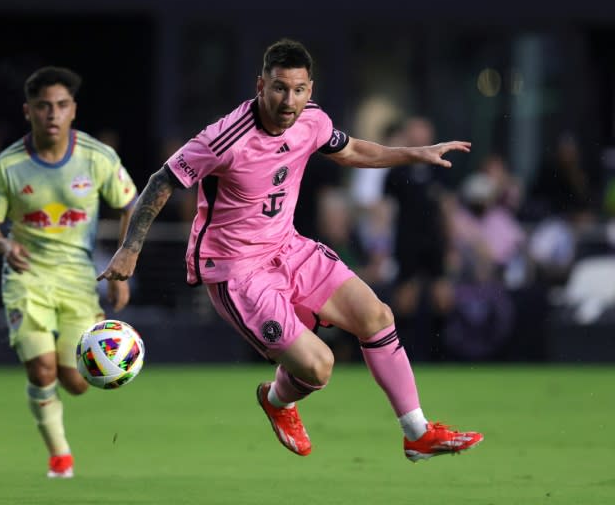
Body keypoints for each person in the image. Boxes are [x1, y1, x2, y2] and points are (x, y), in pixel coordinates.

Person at [100, 39, 483, 460]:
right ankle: (277, 401)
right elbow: (162, 181)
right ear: (260, 84)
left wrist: (414, 154)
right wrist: (129, 249)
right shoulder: (224, 137)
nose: (289, 100)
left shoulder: (312, 121)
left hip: (288, 247)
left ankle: (417, 433)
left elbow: (351, 149)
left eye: (299, 90)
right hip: (236, 269)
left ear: (310, 89)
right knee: (318, 367)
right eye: (280, 88)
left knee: (377, 316)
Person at [0, 66, 137, 478]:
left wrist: (122, 265)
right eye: (43, 106)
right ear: (27, 111)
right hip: (26, 277)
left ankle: (65, 410)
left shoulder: (96, 157)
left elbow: (130, 204)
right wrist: (4, 244)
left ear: (73, 110)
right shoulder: (8, 166)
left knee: (76, 380)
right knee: (41, 368)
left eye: (61, 105)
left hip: (78, 280)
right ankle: (60, 456)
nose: (53, 114)